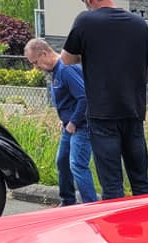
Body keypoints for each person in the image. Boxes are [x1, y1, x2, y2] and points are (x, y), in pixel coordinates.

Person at [60, 0, 148, 200]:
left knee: (112, 185)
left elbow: (66, 60)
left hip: (102, 115)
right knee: (141, 181)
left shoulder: (85, 21)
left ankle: (118, 223)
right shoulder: (139, 24)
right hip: (133, 113)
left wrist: (88, 55)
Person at [24, 38, 97, 206]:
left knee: (77, 165)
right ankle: (68, 201)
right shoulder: (56, 71)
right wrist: (65, 120)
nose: (35, 67)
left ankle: (90, 205)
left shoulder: (65, 69)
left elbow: (84, 98)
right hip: (69, 125)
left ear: (44, 54)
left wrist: (73, 122)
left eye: (35, 62)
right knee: (62, 161)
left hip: (81, 126)